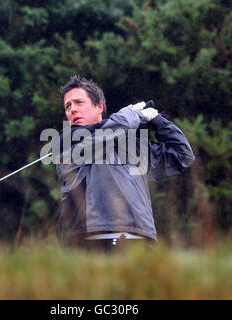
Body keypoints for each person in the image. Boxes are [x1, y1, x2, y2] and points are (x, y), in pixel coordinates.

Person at [54, 75, 195, 251]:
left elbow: (182, 155)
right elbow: (117, 126)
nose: (72, 109)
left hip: (137, 237)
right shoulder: (65, 141)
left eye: (78, 102)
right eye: (68, 106)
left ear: (99, 106)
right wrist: (131, 113)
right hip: (84, 240)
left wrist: (157, 119)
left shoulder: (133, 145)